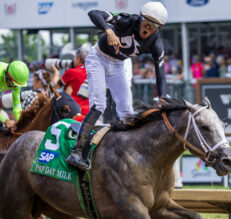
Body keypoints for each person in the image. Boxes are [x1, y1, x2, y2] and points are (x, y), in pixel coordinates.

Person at [66, 1, 168, 170]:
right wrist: (109, 30)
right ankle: (76, 151)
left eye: (153, 27)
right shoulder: (127, 21)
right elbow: (93, 13)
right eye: (146, 23)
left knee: (127, 111)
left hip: (118, 64)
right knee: (99, 105)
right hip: (98, 58)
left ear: (158, 29)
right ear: (140, 18)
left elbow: (161, 74)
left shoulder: (156, 44)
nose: (147, 29)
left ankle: (129, 152)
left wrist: (163, 97)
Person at [52, 48, 90, 118]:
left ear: (78, 58)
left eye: (75, 57)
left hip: (73, 112)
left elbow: (56, 86)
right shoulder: (91, 72)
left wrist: (56, 73)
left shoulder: (72, 72)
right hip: (88, 111)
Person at [0, 61, 29, 131]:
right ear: (7, 75)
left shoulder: (16, 82)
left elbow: (16, 105)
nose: (15, 87)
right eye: (13, 83)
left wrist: (21, 122)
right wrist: (5, 120)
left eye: (17, 85)